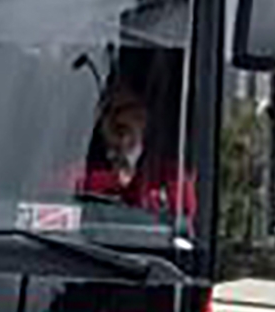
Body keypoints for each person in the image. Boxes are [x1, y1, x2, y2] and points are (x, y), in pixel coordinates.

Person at [68, 81, 194, 219]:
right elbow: (51, 191)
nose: (118, 117)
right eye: (109, 112)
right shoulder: (88, 170)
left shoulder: (168, 175)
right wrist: (112, 181)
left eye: (122, 127)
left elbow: (186, 210)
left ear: (143, 118)